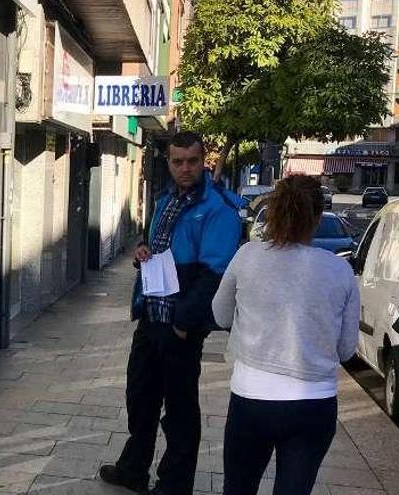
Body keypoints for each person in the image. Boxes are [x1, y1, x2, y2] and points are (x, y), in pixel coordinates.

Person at [99, 131, 241, 495]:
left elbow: (215, 275)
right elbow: (157, 248)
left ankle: (174, 485)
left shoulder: (218, 209)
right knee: (140, 397)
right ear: (169, 162)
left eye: (192, 161)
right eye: (178, 162)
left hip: (179, 327)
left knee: (179, 412)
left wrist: (182, 323)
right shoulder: (165, 201)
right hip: (151, 316)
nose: (185, 168)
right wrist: (141, 252)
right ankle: (134, 468)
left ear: (203, 160)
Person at [211, 175, 359, 495]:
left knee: (238, 488)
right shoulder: (340, 271)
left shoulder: (248, 255)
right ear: (318, 217)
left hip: (251, 397)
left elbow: (220, 314)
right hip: (313, 404)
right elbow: (347, 349)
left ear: (273, 210)